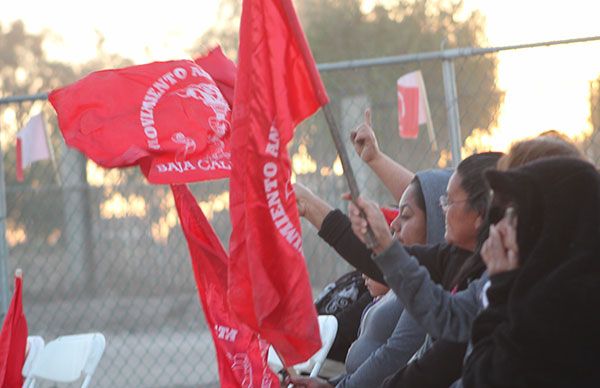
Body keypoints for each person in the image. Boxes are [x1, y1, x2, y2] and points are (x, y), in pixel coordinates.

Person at [346, 134, 584, 388]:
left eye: (508, 208)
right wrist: (382, 243)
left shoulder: (566, 291)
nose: (496, 222)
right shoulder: (496, 275)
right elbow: (449, 316)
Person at [462, 157, 600, 387]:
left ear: (553, 222)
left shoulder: (554, 310)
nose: (500, 228)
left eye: (515, 214)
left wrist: (500, 292)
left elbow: (480, 378)